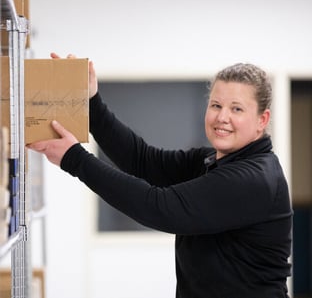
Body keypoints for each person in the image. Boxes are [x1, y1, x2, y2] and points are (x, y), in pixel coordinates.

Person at [27, 54, 293, 298]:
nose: (222, 117)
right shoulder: (211, 161)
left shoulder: (254, 179)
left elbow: (160, 208)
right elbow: (143, 161)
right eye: (216, 105)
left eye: (237, 109)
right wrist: (92, 104)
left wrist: (74, 158)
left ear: (262, 120)